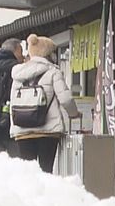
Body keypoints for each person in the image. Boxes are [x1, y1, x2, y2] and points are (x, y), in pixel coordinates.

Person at [10, 34, 79, 173]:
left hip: (23, 130)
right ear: (48, 53)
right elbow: (65, 98)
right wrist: (74, 114)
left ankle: (30, 195)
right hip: (48, 131)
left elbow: (13, 101)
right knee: (46, 171)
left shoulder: (18, 74)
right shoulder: (53, 72)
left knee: (29, 175)